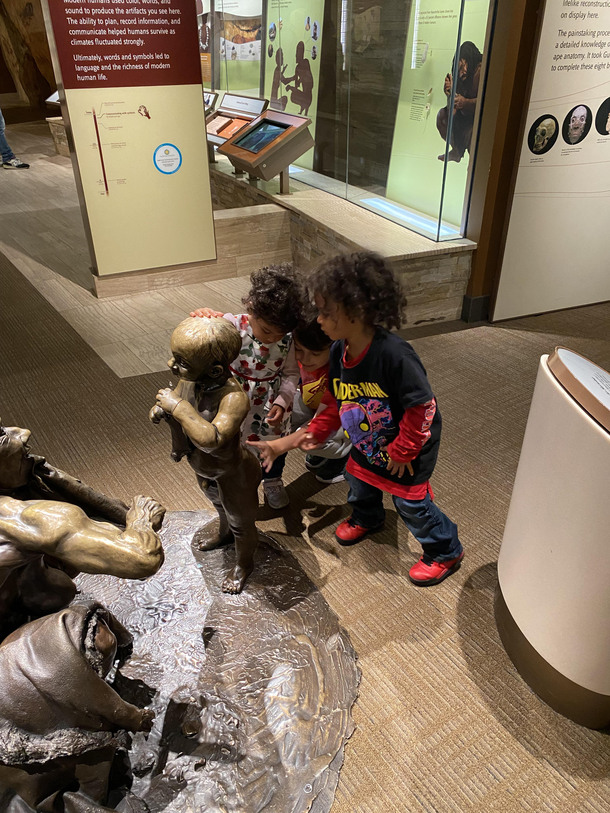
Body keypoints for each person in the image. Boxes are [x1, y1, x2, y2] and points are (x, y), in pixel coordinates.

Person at [294, 253, 464, 587]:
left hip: (407, 447)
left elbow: (423, 407)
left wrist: (403, 449)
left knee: (410, 502)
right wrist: (318, 429)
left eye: (326, 313)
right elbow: (334, 396)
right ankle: (367, 517)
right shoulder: (338, 350)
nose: (318, 321)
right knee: (358, 481)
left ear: (356, 312)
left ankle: (445, 550)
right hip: (366, 440)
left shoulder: (395, 355)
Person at [151, 316, 261, 594]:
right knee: (220, 508)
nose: (171, 365)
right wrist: (164, 410)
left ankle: (244, 564)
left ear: (214, 371)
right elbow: (177, 404)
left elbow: (211, 439)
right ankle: (224, 534)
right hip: (204, 469)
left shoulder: (234, 397)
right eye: (174, 357)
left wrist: (177, 407)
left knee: (242, 524)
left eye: (182, 362)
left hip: (234, 473)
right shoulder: (190, 381)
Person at [190, 265, 302, 510]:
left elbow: (291, 373)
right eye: (267, 331)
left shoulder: (288, 338)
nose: (272, 338)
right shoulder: (233, 325)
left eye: (279, 333)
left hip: (270, 405)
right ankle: (236, 481)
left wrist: (283, 402)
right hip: (234, 398)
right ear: (251, 307)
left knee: (274, 447)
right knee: (233, 445)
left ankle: (272, 480)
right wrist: (204, 315)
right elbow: (206, 332)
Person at [247, 316, 351, 484]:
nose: (305, 359)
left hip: (340, 414)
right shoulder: (293, 343)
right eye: (299, 350)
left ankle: (346, 454)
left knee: (310, 440)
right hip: (310, 401)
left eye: (315, 353)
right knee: (273, 419)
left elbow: (324, 419)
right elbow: (254, 321)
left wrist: (280, 445)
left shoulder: (341, 371)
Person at [436, 41, 482, 163]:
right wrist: (451, 93)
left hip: (480, 124)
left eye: (465, 65)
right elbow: (453, 113)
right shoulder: (462, 78)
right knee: (442, 116)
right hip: (466, 121)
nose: (464, 71)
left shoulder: (480, 70)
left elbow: (488, 103)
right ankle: (457, 150)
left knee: (475, 138)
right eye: (460, 68)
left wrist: (466, 102)